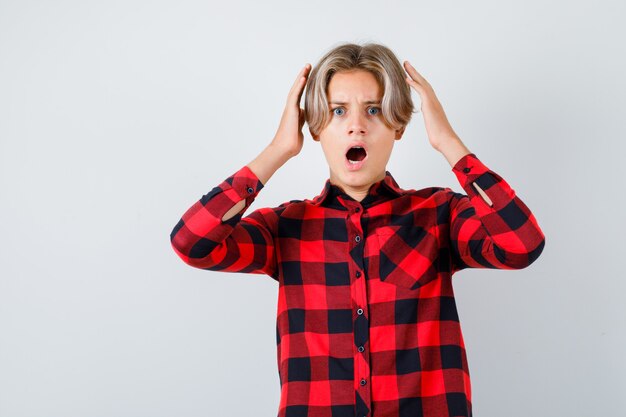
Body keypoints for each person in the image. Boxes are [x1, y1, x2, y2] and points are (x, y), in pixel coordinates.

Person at [169, 42, 545, 417]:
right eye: (337, 111)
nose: (356, 125)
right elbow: (192, 243)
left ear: (397, 126)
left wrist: (449, 144)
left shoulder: (438, 214)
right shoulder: (285, 228)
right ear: (316, 128)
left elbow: (522, 245)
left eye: (374, 110)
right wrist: (278, 150)